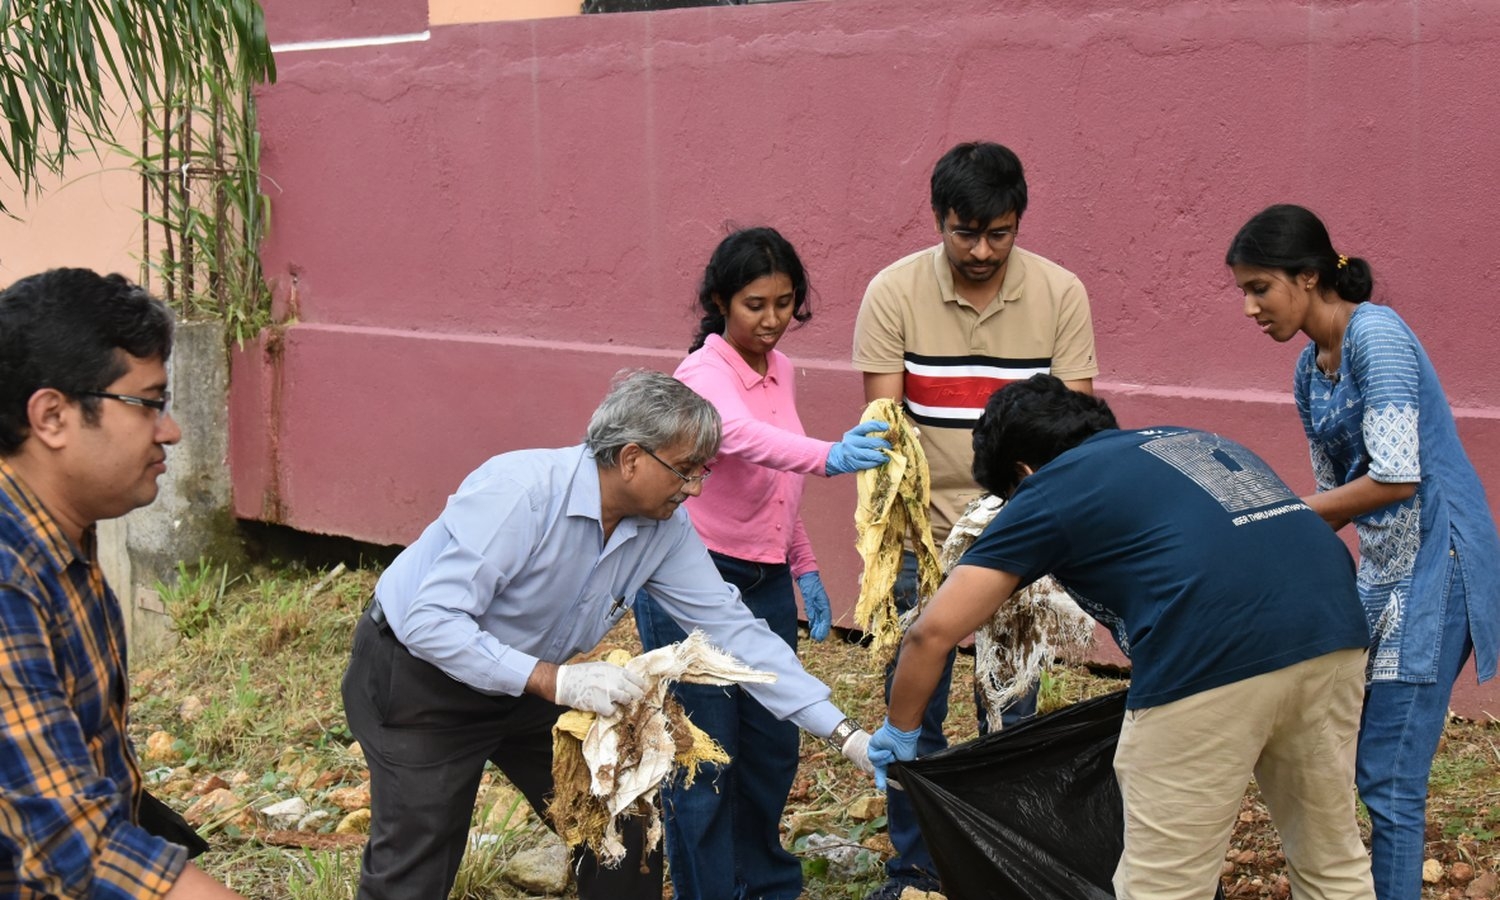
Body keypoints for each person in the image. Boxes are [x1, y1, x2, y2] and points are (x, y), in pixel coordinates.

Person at [341, 369, 875, 900]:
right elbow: (429, 622)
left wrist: (846, 735)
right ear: (631, 458)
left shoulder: (663, 528)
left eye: (702, 471)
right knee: (417, 861)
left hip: (531, 685)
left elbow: (732, 631)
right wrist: (557, 682)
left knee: (624, 827)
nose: (695, 488)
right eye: (685, 470)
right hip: (420, 678)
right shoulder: (519, 493)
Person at [869, 374, 1377, 900]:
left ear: (1022, 471)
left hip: (1208, 653)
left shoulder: (1051, 484)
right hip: (1335, 632)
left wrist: (901, 732)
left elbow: (931, 634)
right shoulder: (1193, 440)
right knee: (1330, 857)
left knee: (1163, 886)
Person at [1226, 204, 1500, 900]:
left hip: (1442, 564)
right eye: (1244, 291)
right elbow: (1335, 498)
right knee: (1353, 759)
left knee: (1390, 777)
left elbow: (1397, 477)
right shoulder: (1306, 369)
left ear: (1309, 277)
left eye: (1261, 287)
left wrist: (1273, 519)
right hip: (1384, 573)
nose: (1250, 307)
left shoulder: (1377, 337)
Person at [850, 139, 1098, 898]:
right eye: (966, 233)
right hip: (919, 535)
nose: (983, 250)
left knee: (1010, 712)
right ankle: (917, 869)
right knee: (912, 709)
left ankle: (999, 866)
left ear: (1019, 221)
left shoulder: (1061, 294)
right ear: (938, 221)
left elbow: (1077, 431)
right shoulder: (891, 292)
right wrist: (907, 539)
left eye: (1000, 233)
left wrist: (1029, 527)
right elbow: (886, 431)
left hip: (1021, 532)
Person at [632, 227, 890, 900]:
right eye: (755, 304)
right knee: (706, 759)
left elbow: (775, 480)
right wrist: (832, 454)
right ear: (720, 302)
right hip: (692, 579)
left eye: (784, 303)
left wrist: (801, 562)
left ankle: (765, 887)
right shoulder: (702, 375)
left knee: (771, 750)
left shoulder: (782, 369)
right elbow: (739, 436)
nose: (772, 320)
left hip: (765, 579)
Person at [0, 268, 246, 898]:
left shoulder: (61, 543)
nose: (171, 431)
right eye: (149, 403)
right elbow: (75, 850)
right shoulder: (8, 580)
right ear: (52, 416)